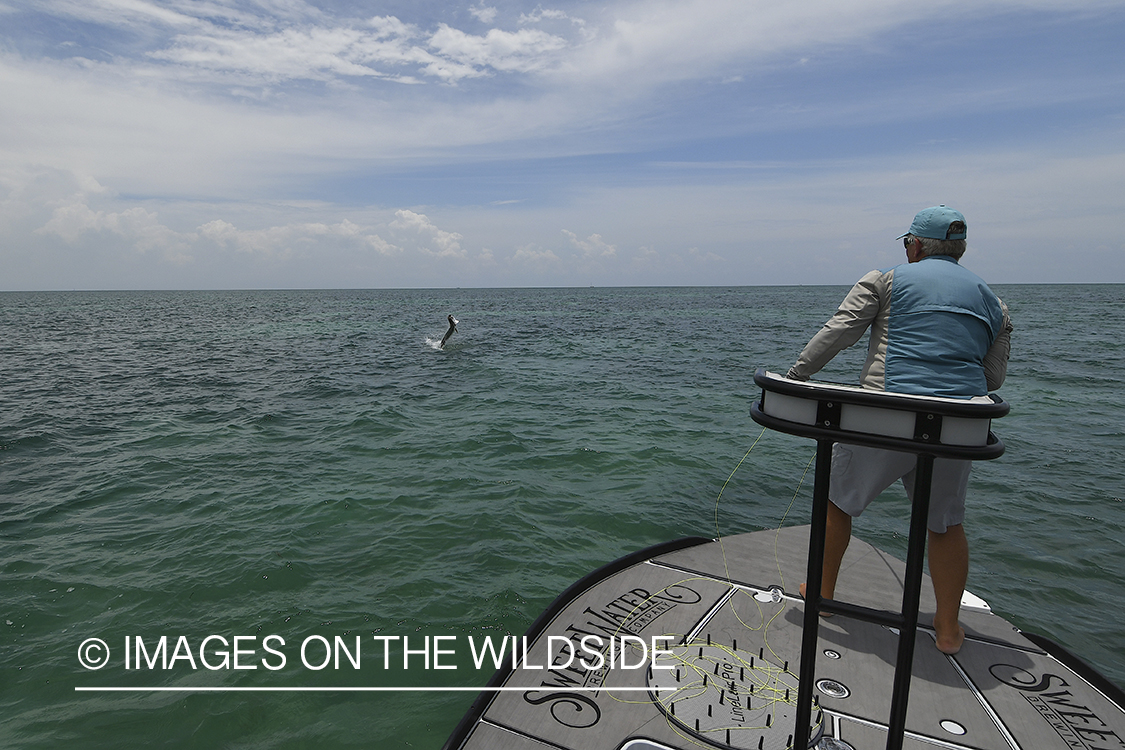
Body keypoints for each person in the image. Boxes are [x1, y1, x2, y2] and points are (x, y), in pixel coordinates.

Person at [786, 205, 1012, 655]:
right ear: (959, 248)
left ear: (914, 244)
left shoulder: (883, 280)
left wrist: (796, 376)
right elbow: (992, 379)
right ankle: (947, 628)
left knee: (837, 502)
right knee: (946, 523)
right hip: (956, 425)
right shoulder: (993, 301)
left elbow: (839, 332)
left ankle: (823, 594)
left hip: (886, 417)